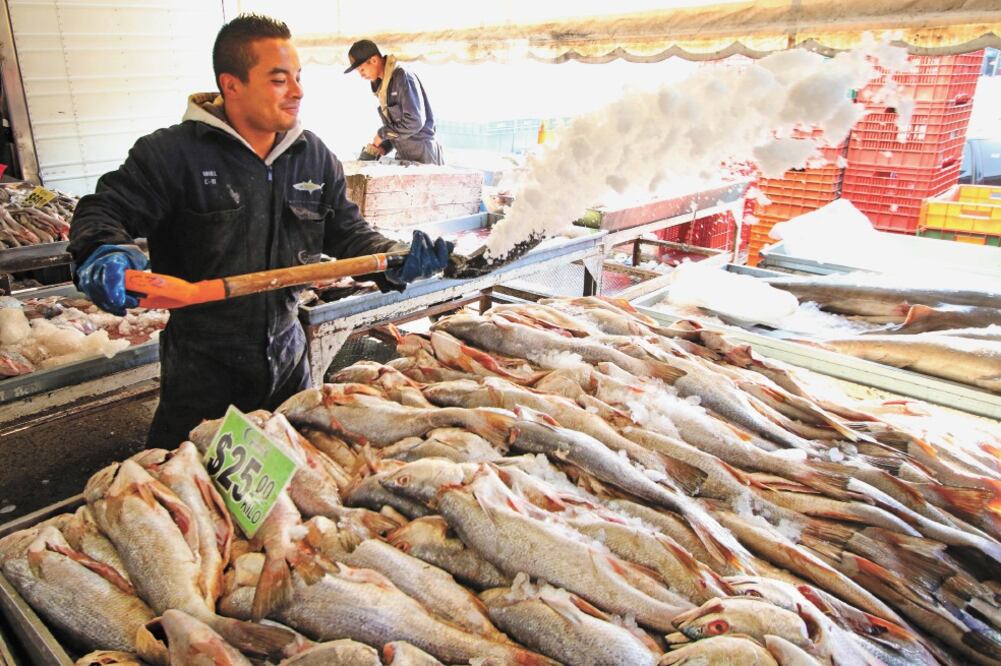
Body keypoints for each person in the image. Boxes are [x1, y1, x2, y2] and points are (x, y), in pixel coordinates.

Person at [68, 14, 452, 448]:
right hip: (201, 372)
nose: (297, 91)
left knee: (294, 478)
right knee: (188, 480)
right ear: (231, 85)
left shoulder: (313, 156)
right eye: (279, 80)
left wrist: (393, 256)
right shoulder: (172, 154)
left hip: (288, 361)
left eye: (298, 77)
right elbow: (105, 209)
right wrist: (102, 249)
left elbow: (347, 233)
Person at [345, 39, 444, 165]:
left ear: (374, 60)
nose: (361, 75)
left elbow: (415, 122)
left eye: (362, 69)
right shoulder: (382, 88)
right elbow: (397, 130)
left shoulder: (402, 76)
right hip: (404, 157)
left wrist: (382, 134)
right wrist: (383, 147)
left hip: (424, 156)